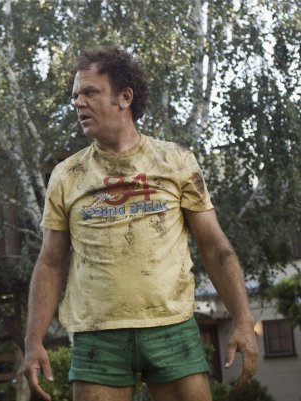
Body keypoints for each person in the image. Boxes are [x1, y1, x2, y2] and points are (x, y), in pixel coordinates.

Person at [23, 47, 258, 401]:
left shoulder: (175, 161)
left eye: (89, 92)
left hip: (171, 327)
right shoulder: (67, 175)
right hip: (98, 334)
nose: (78, 103)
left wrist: (243, 320)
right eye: (75, 96)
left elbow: (215, 247)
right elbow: (51, 262)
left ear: (124, 97)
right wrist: (33, 340)